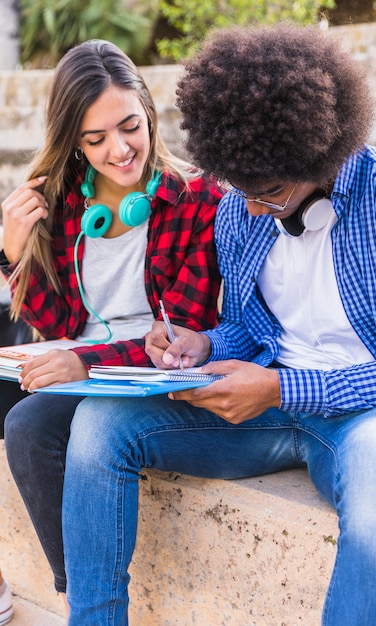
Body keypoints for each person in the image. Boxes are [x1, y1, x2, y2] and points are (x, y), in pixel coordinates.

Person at [59, 24, 376, 625]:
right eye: (239, 189)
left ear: (321, 154)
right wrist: (202, 344)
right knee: (97, 424)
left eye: (270, 193)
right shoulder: (239, 205)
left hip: (369, 418)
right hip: (270, 408)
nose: (250, 208)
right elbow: (250, 329)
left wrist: (280, 387)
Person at [2, 39, 222, 613]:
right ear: (73, 141)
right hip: (77, 366)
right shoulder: (66, 206)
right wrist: (11, 255)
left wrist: (87, 361)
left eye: (129, 127)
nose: (119, 150)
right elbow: (54, 322)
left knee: (27, 426)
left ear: (149, 113)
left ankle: (79, 596)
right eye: (95, 140)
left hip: (144, 378)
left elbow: (185, 332)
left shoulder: (197, 198)